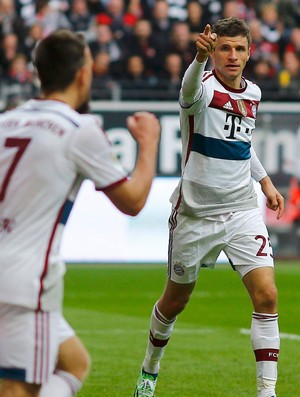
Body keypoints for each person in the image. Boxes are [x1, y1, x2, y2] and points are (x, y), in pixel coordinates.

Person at [0, 29, 161, 397]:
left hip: (8, 271)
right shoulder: (79, 128)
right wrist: (148, 143)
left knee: (74, 362)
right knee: (17, 389)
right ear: (83, 74)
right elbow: (133, 201)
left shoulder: (7, 120)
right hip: (25, 283)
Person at [133, 16, 284, 397]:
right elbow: (186, 94)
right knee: (174, 301)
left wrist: (264, 182)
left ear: (249, 53)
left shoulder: (254, 94)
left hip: (241, 210)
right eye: (224, 48)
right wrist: (197, 60)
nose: (232, 56)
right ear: (212, 50)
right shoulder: (201, 85)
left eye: (239, 49)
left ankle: (267, 392)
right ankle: (150, 369)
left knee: (266, 294)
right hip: (195, 214)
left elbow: (243, 145)